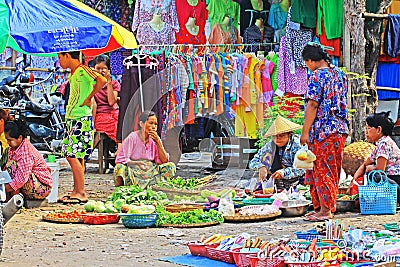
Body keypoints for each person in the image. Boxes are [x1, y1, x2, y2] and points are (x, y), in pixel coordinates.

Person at [300, 43, 349, 222]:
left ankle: (325, 210)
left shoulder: (316, 76)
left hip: (323, 131)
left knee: (322, 170)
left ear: (311, 61)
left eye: (306, 62)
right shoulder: (340, 74)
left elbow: (312, 105)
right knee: (331, 169)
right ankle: (322, 207)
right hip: (340, 129)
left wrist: (305, 132)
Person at [57, 51, 107, 204]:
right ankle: (76, 190)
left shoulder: (82, 69)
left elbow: (102, 80)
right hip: (73, 117)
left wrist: (89, 97)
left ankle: (81, 192)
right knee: (76, 156)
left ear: (67, 56)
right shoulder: (74, 73)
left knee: (70, 154)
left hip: (80, 118)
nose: (59, 62)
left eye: (60, 58)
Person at [113, 110, 176, 188]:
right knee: (119, 168)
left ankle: (154, 187)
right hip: (134, 171)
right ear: (141, 124)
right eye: (150, 123)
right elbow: (120, 159)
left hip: (150, 172)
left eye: (155, 124)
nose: (153, 127)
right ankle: (127, 188)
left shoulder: (154, 140)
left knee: (171, 166)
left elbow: (164, 161)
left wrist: (158, 142)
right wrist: (137, 163)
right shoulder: (132, 137)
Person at [347, 112, 400, 201]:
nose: (366, 132)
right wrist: (353, 182)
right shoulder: (379, 145)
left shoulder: (384, 143)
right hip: (392, 180)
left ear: (379, 129)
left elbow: (380, 171)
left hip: (396, 180)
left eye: (368, 128)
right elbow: (364, 165)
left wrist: (371, 168)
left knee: (374, 176)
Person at [248, 115, 305, 191]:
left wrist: (283, 172)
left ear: (289, 134)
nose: (278, 138)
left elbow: (302, 168)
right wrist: (261, 167)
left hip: (298, 183)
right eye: (275, 136)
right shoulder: (270, 145)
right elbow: (253, 162)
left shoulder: (297, 145)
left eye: (281, 135)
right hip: (276, 183)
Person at [4, 120, 52, 200]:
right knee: (9, 167)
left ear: (19, 137)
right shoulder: (12, 149)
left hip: (41, 188)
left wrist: (4, 189)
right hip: (29, 183)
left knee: (13, 166)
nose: (7, 142)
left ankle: (15, 200)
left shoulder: (26, 152)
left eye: (10, 140)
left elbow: (21, 179)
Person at [92, 54, 120, 142]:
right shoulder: (91, 84)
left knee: (125, 124)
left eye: (103, 68)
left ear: (108, 69)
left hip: (114, 112)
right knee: (114, 125)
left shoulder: (114, 84)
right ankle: (120, 149)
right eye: (98, 68)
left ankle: (120, 149)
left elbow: (111, 102)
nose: (100, 71)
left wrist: (108, 82)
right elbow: (93, 106)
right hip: (100, 115)